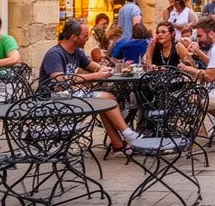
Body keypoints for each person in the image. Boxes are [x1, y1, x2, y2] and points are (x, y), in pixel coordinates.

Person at [39, 19, 140, 150]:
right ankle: (128, 134)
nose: (88, 39)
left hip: (69, 94)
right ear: (74, 37)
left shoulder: (77, 52)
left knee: (105, 101)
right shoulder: (55, 54)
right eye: (85, 36)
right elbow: (62, 79)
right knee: (105, 99)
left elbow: (93, 67)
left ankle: (119, 143)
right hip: (53, 97)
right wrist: (96, 75)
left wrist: (104, 69)